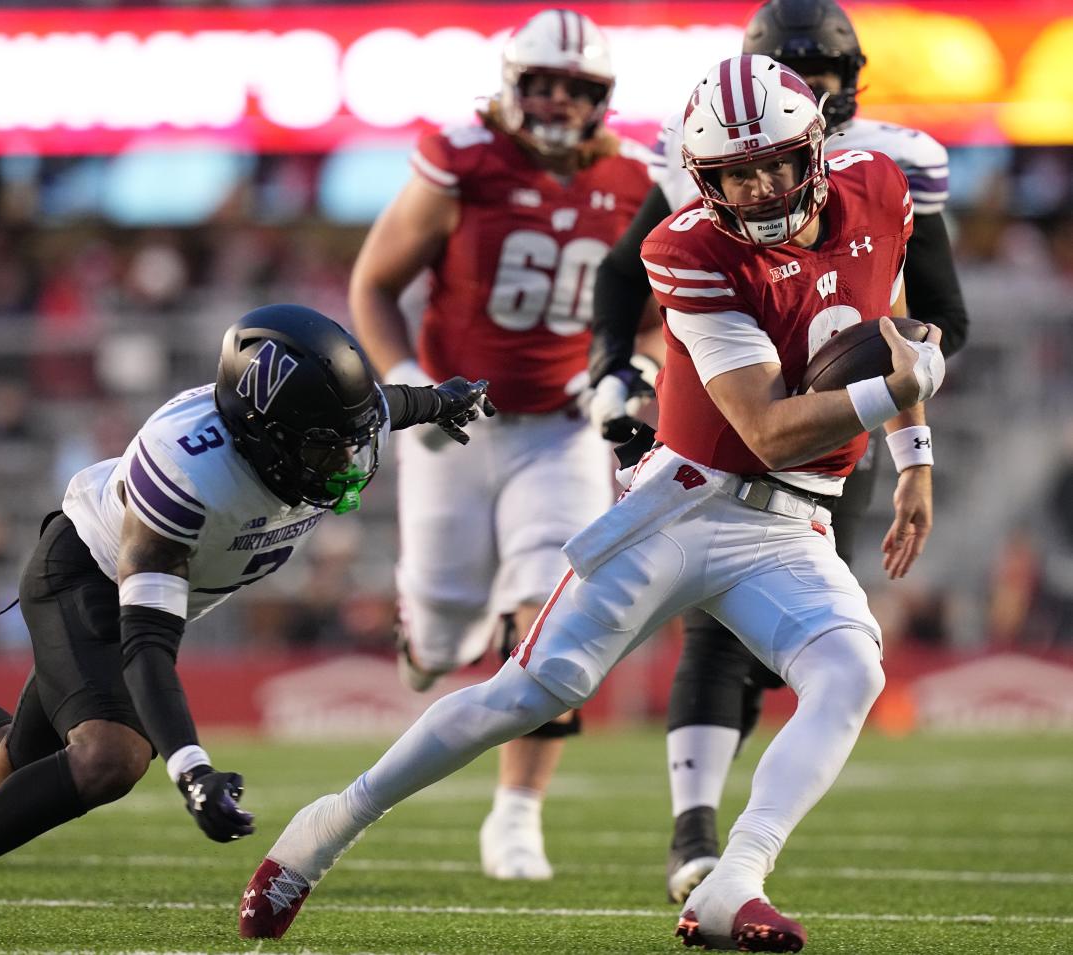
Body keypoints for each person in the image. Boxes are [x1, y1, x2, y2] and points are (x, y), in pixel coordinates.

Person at [239, 56, 946, 952]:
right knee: (530, 692)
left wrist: (914, 451)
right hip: (685, 509)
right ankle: (324, 829)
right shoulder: (685, 247)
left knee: (851, 672)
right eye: (736, 171)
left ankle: (734, 884)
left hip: (792, 522)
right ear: (705, 180)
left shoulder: (877, 186)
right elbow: (767, 427)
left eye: (775, 161)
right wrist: (897, 394)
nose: (762, 185)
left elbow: (889, 317)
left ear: (814, 149)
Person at [0, 304, 494, 946]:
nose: (346, 466)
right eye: (326, 451)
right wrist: (190, 765)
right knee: (111, 756)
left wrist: (442, 399)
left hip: (129, 587)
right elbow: (145, 645)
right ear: (263, 433)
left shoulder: (319, 420)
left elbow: (384, 407)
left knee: (12, 764)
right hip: (85, 574)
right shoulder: (188, 471)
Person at [586, 0, 970, 903]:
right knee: (710, 624)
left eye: (830, 77)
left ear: (848, 81)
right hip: (729, 414)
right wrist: (622, 373)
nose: (822, 94)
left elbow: (937, 316)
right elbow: (622, 275)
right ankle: (694, 833)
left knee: (793, 643)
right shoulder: (704, 158)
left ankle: (733, 838)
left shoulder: (891, 166)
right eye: (806, 75)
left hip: (840, 425)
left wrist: (903, 431)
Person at [349, 8, 661, 881]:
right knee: (443, 644)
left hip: (562, 430)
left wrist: (628, 368)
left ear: (602, 99)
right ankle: (432, 636)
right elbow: (374, 283)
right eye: (542, 84)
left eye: (578, 88)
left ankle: (517, 815)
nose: (558, 101)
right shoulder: (462, 157)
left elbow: (657, 320)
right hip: (455, 425)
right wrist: (412, 381)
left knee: (550, 623)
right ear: (511, 84)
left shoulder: (639, 179)